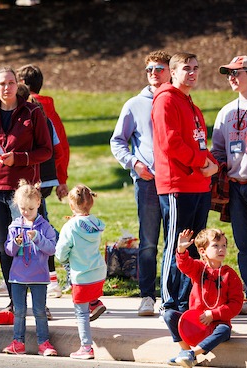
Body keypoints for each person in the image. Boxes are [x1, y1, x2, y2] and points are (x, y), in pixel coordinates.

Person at [0, 66, 52, 311]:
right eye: (1, 84)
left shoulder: (32, 112)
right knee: (7, 245)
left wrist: (17, 158)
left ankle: (40, 303)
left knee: (31, 243)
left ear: (16, 84)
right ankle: (15, 302)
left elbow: (46, 150)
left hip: (23, 190)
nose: (6, 88)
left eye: (10, 82)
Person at [151, 52, 218, 315]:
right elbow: (171, 143)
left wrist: (212, 164)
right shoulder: (165, 101)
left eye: (196, 68)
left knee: (194, 248)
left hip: (199, 185)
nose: (192, 73)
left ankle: (186, 302)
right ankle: (169, 306)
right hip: (177, 186)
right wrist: (203, 164)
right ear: (173, 72)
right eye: (186, 68)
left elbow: (199, 143)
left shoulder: (191, 105)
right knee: (176, 245)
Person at [110, 50, 172, 316]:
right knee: (149, 242)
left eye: (159, 69)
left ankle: (172, 296)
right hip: (147, 183)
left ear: (170, 71)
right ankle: (148, 296)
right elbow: (117, 140)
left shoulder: (178, 100)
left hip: (175, 183)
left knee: (174, 241)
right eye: (149, 70)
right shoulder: (135, 104)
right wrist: (134, 163)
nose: (154, 74)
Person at [17, 64, 70, 298]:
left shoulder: (28, 108)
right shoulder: (48, 108)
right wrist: (61, 178)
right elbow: (61, 148)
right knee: (33, 223)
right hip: (48, 178)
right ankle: (40, 276)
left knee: (36, 225)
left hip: (33, 178)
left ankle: (53, 274)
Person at [211, 55, 247, 315]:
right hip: (237, 187)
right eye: (229, 73)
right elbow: (217, 151)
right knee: (245, 245)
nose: (232, 77)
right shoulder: (226, 112)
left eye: (238, 72)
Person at [164, 228, 243, 367]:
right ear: (202, 251)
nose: (221, 249)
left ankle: (192, 354)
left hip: (217, 324)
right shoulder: (199, 269)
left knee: (224, 330)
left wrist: (213, 314)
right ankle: (185, 351)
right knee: (169, 315)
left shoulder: (230, 275)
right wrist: (181, 251)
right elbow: (185, 265)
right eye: (216, 245)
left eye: (224, 245)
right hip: (196, 323)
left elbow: (236, 304)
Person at [2, 180, 58, 357]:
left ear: (38, 204)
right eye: (23, 208)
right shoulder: (14, 226)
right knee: (19, 311)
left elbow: (51, 249)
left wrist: (38, 238)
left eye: (30, 209)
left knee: (40, 311)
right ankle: (18, 342)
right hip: (17, 276)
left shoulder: (45, 227)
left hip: (39, 277)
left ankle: (44, 343)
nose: (26, 212)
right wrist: (16, 243)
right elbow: (9, 251)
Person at [55, 184, 106, 360]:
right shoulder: (95, 223)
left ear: (71, 205)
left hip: (82, 275)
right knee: (89, 295)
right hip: (98, 272)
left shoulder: (70, 227)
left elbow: (61, 251)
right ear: (91, 203)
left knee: (81, 313)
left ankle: (86, 347)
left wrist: (62, 258)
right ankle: (95, 303)